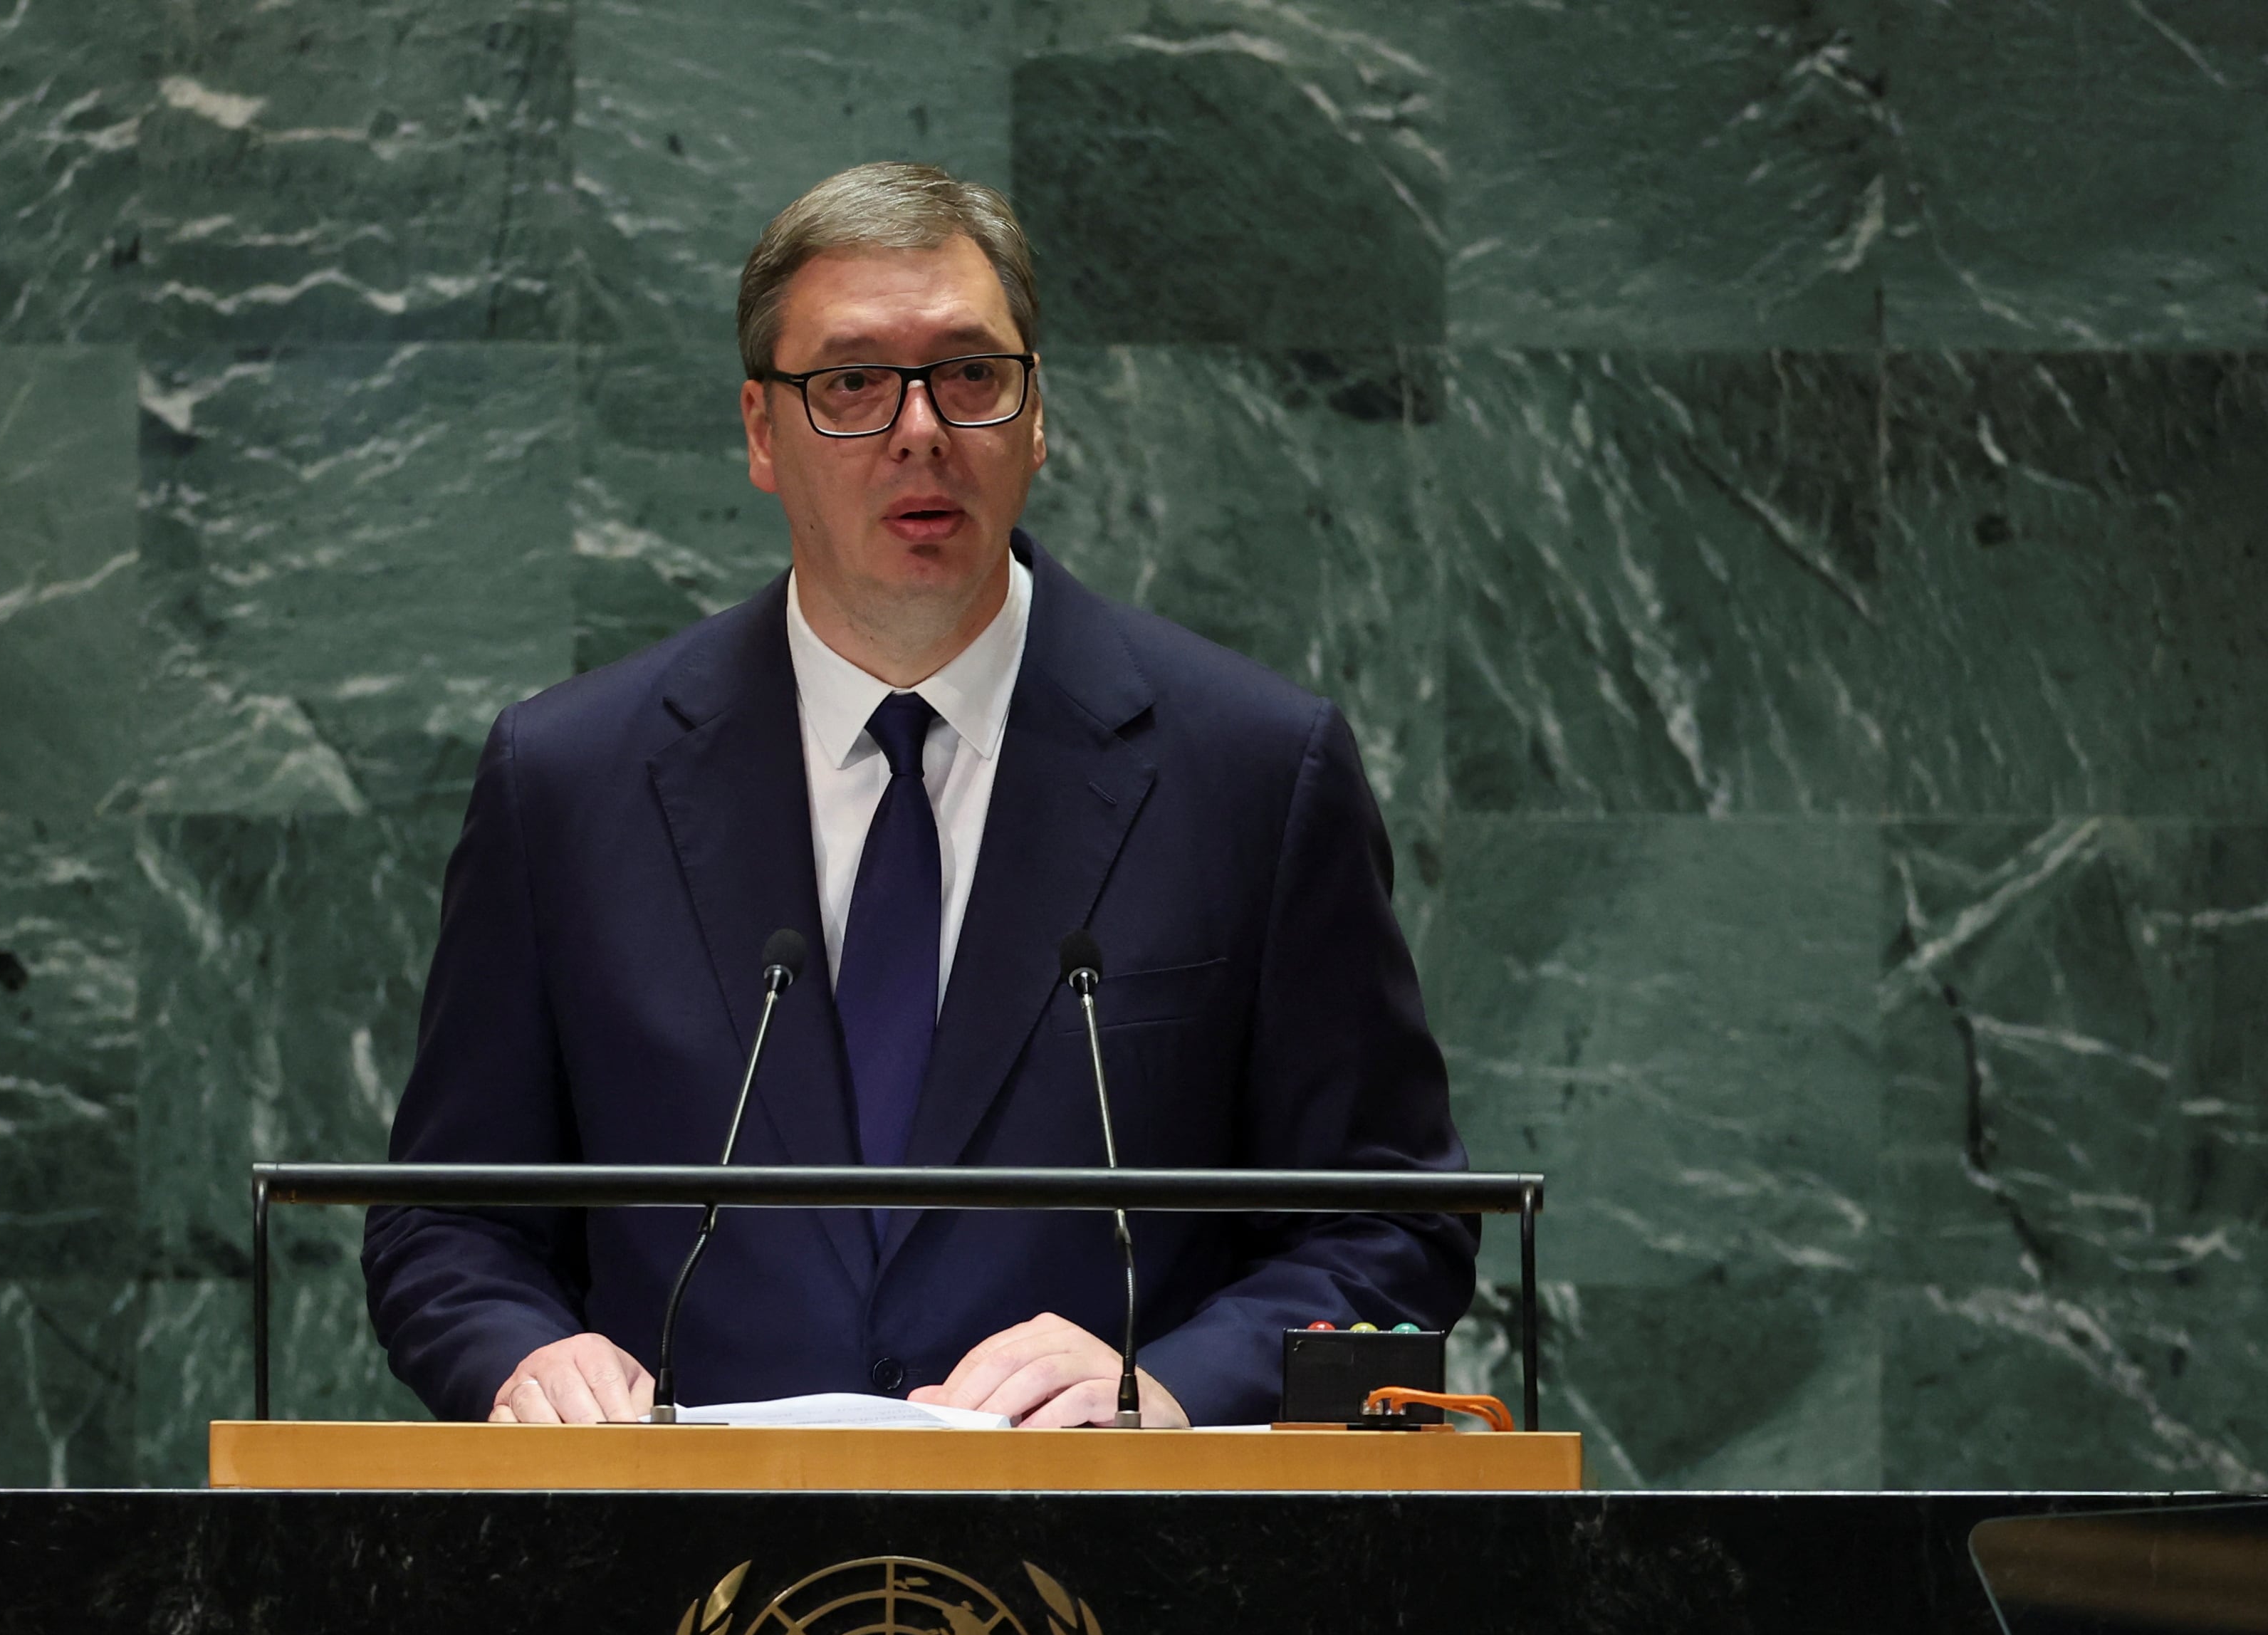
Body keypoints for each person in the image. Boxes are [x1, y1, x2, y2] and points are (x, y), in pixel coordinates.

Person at [362, 162, 1471, 1428]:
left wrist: (1167, 1386)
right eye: (848, 383)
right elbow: (447, 1220)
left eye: (969, 374)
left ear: (1037, 415)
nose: (919, 429)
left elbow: (1391, 1227)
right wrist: (524, 1357)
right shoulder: (565, 779)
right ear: (759, 433)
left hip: (1123, 1572)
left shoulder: (1256, 772)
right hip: (681, 1580)